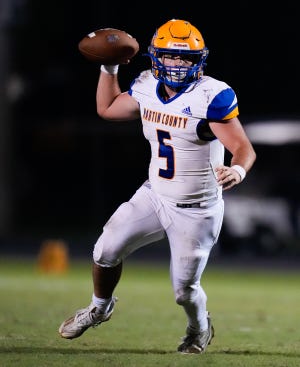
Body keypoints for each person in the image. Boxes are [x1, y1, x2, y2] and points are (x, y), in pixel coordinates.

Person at [58, 18, 256, 354]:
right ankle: (100, 306)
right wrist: (108, 68)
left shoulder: (211, 95)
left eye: (186, 58)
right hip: (155, 195)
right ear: (155, 56)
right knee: (105, 251)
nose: (178, 64)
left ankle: (199, 328)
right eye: (170, 56)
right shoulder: (147, 85)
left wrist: (237, 170)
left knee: (184, 290)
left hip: (197, 209)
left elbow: (243, 148)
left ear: (199, 61)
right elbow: (107, 109)